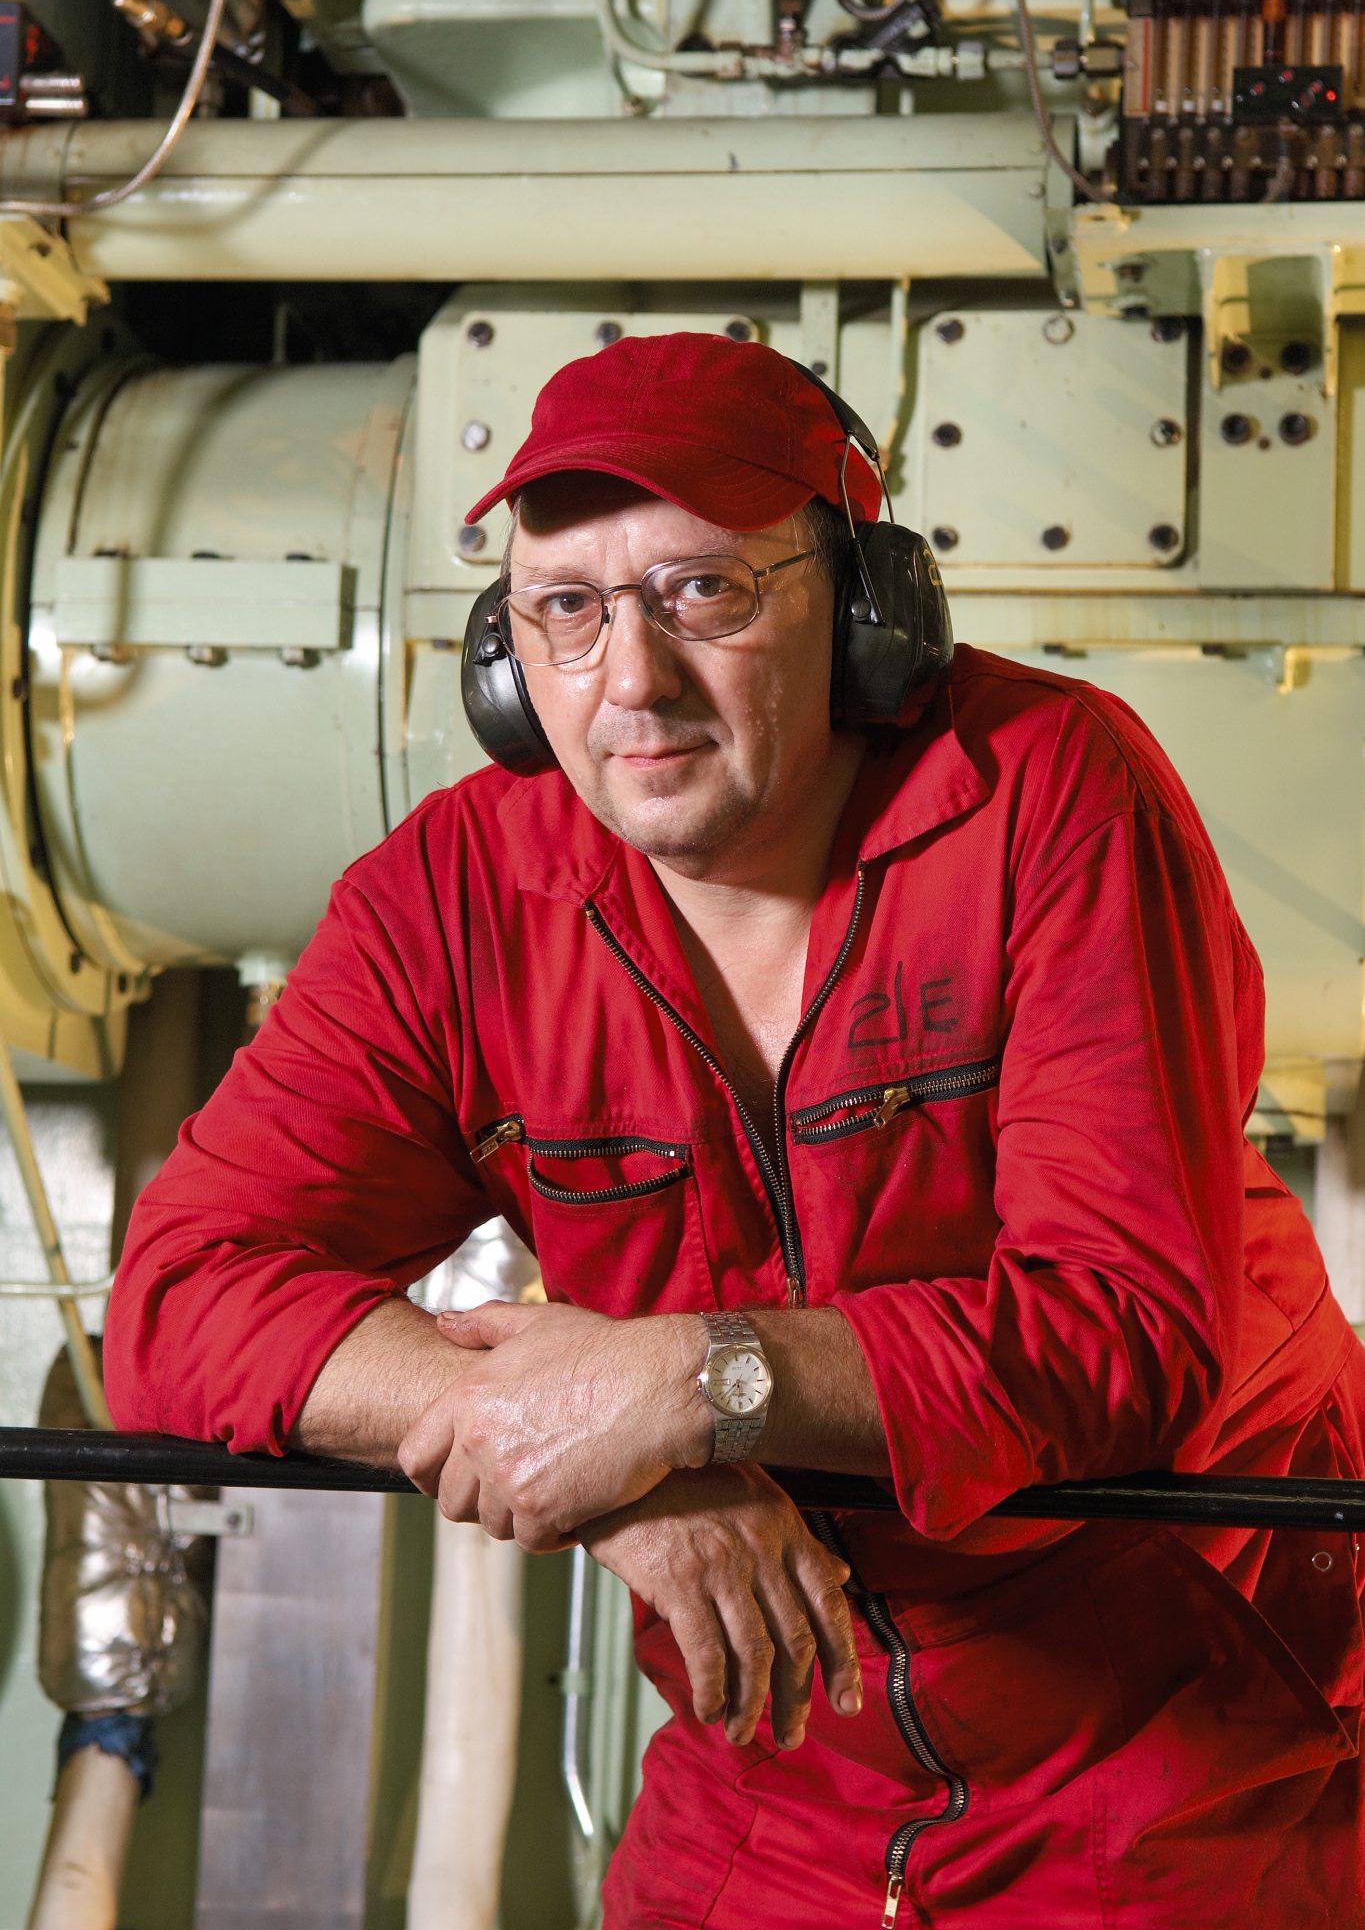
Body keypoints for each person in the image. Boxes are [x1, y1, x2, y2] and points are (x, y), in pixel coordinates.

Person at [105, 331, 1365, 1929]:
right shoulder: (454, 898)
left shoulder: (1049, 794)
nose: (630, 681)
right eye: (565, 609)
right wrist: (601, 1450)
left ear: (864, 610)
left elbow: (1118, 1331)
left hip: (1193, 1723)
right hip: (780, 1735)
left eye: (702, 591)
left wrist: (692, 1384)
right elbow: (182, 1295)